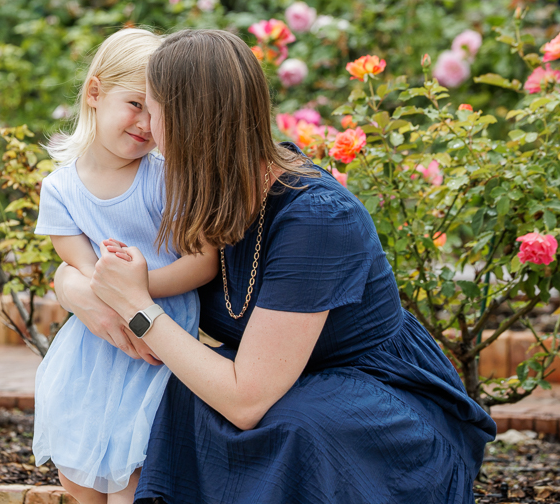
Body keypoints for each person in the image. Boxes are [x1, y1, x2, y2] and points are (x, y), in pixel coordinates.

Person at [53, 29, 497, 504]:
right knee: (175, 393)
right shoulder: (200, 188)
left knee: (291, 424)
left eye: (152, 109)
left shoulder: (318, 219)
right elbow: (86, 259)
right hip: (282, 386)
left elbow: (246, 399)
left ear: (185, 121)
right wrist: (78, 292)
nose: (146, 127)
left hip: (379, 409)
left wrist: (138, 308)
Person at [33, 28, 218, 504]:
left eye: (157, 113)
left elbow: (203, 261)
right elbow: (84, 272)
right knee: (79, 473)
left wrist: (141, 286)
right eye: (136, 104)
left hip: (160, 342)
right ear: (95, 92)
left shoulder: (164, 180)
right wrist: (111, 295)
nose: (146, 124)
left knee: (134, 481)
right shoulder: (60, 190)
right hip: (94, 349)